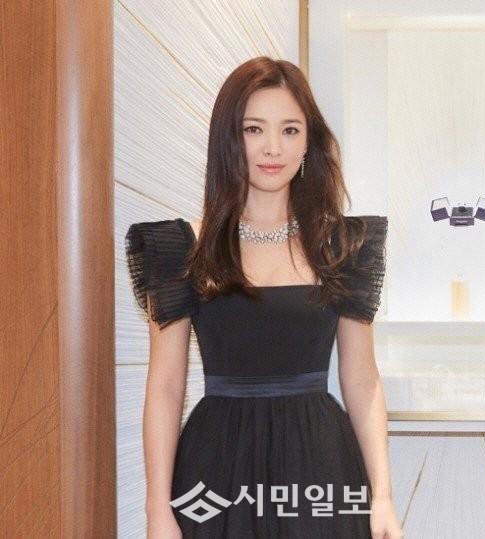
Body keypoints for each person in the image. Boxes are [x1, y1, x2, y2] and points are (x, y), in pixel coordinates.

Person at [125, 56, 403, 539]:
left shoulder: (342, 246)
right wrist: (157, 512)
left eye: (290, 130)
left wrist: (382, 497)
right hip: (216, 470)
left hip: (321, 469)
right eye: (254, 129)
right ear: (229, 139)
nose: (273, 147)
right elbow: (165, 386)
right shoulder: (182, 248)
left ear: (308, 142)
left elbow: (362, 378)